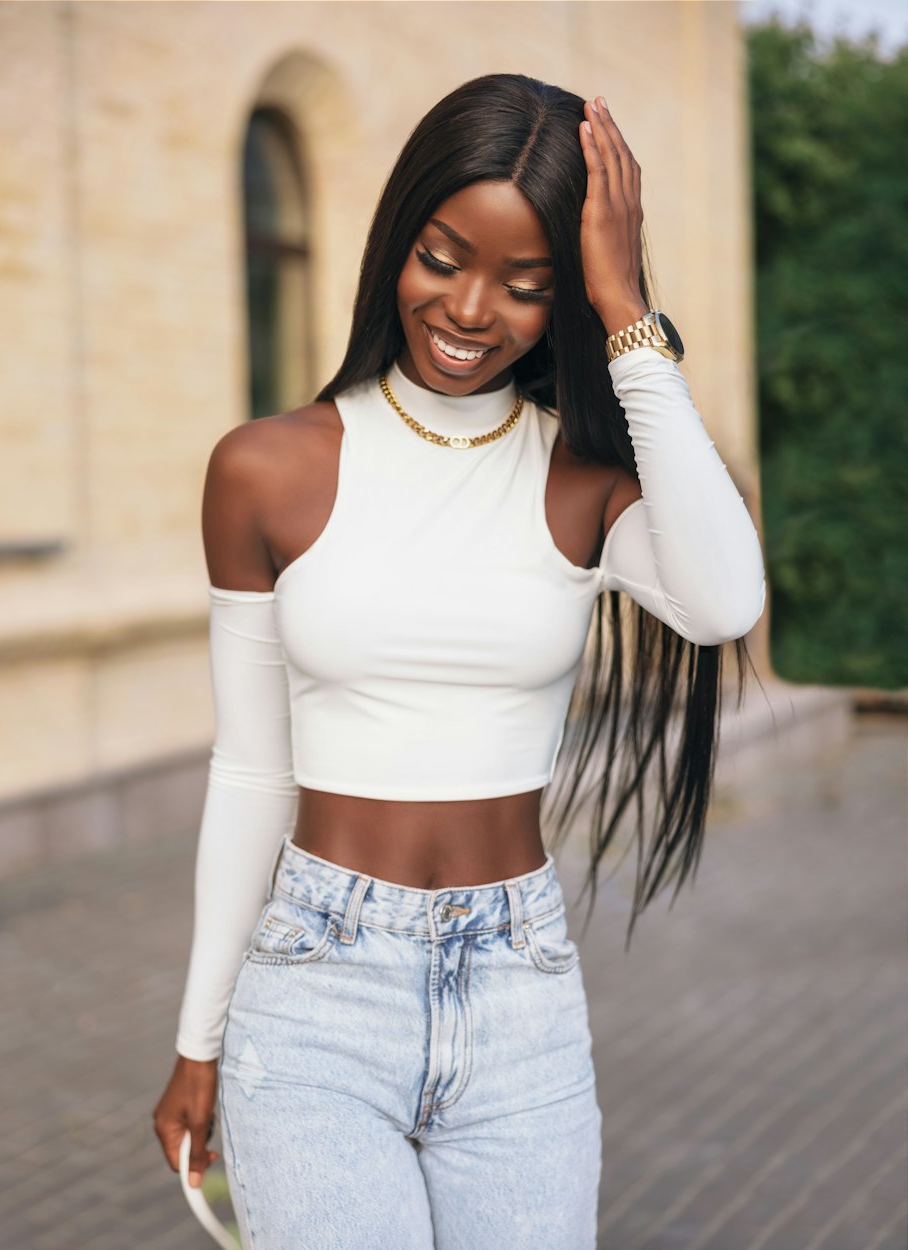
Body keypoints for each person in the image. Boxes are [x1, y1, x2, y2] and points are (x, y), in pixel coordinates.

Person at [152, 73, 766, 1249]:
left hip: (517, 990)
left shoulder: (582, 484)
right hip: (315, 984)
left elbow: (724, 597)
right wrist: (199, 1038)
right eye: (443, 256)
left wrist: (628, 311)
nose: (473, 308)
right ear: (397, 237)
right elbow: (251, 769)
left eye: (528, 285)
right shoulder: (264, 470)